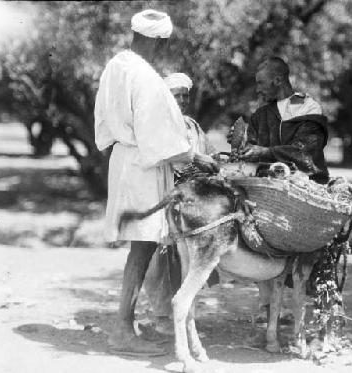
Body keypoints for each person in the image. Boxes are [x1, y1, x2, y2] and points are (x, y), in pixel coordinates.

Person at [94, 9, 218, 355]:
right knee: (143, 246)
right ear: (157, 40)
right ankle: (122, 328)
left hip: (127, 159)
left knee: (143, 246)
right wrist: (195, 157)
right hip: (143, 165)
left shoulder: (115, 66)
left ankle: (127, 323)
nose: (163, 50)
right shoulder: (143, 75)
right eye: (164, 44)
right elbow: (157, 136)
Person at [228, 56, 330, 324]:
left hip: (307, 187)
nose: (258, 89)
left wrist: (266, 152)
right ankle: (267, 306)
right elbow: (251, 151)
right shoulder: (262, 115)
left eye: (262, 83)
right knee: (255, 237)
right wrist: (240, 153)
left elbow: (306, 150)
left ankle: (318, 308)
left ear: (278, 80)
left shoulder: (308, 107)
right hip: (269, 189)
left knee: (310, 248)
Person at [141, 72, 217, 335]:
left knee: (189, 258)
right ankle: (162, 316)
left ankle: (185, 317)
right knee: (159, 257)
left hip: (191, 200)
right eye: (177, 96)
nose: (182, 100)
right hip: (162, 194)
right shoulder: (158, 123)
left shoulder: (192, 125)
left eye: (186, 95)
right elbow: (167, 156)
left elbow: (207, 155)